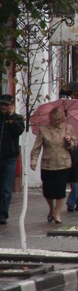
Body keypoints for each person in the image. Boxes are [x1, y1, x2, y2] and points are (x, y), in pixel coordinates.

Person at [29, 106, 76, 224]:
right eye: (54, 119)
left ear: (63, 118)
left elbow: (74, 146)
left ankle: (58, 213)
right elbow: (37, 146)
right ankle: (51, 209)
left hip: (63, 163)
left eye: (59, 119)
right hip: (48, 163)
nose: (57, 122)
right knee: (48, 190)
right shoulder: (44, 129)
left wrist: (69, 141)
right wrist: (33, 159)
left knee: (60, 189)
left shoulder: (68, 128)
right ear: (50, 118)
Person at [0, 94, 24, 225]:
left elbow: (19, 131)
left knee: (6, 187)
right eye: (1, 104)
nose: (3, 107)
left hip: (10, 157)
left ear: (11, 106)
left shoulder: (17, 119)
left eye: (6, 105)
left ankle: (3, 214)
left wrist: (11, 117)